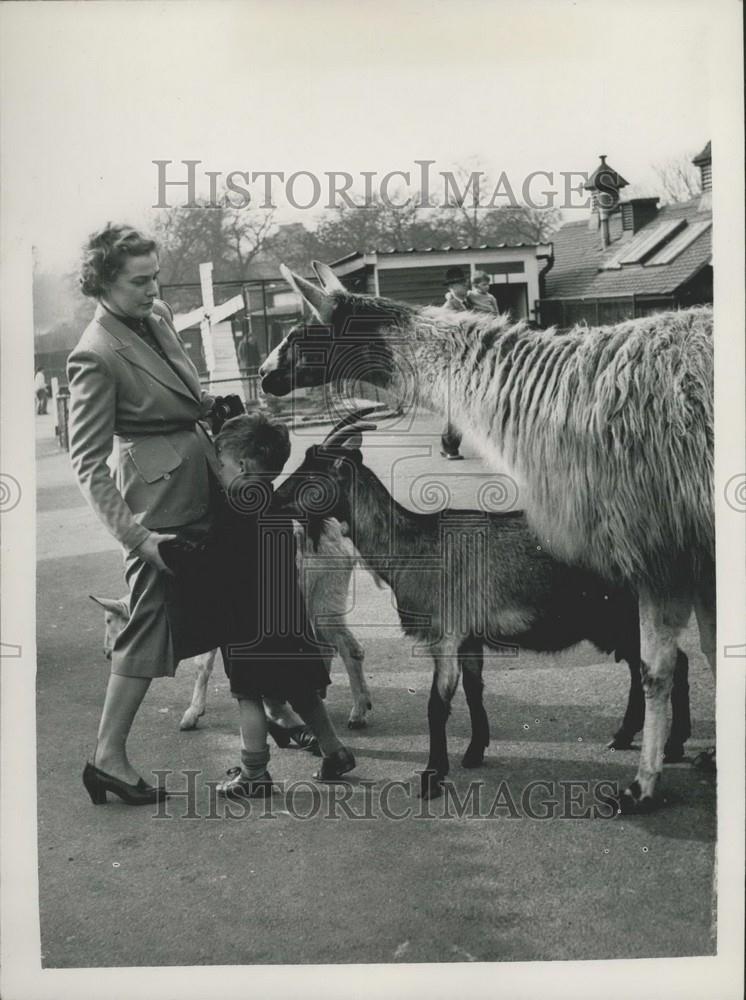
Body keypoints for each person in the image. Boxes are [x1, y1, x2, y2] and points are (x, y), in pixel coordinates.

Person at [68, 223, 226, 806]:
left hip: (204, 474)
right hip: (159, 508)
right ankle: (106, 758)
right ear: (103, 282)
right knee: (145, 622)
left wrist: (210, 405)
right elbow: (87, 465)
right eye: (139, 279)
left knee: (234, 594)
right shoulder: (94, 354)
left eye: (156, 273)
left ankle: (279, 711)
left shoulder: (153, 315)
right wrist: (140, 540)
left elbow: (182, 385)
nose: (153, 287)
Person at [189, 412, 356, 798]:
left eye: (223, 465)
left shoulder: (232, 511)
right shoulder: (278, 507)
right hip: (289, 620)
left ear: (243, 465)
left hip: (249, 627)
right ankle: (335, 751)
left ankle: (255, 773)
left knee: (249, 696)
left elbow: (213, 561)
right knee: (302, 693)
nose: (220, 473)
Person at [440, 266, 468, 460]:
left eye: (465, 282)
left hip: (469, 360)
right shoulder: (448, 309)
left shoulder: (466, 304)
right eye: (461, 283)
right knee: (458, 406)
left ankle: (448, 445)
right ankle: (449, 447)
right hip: (456, 361)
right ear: (452, 286)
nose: (466, 286)